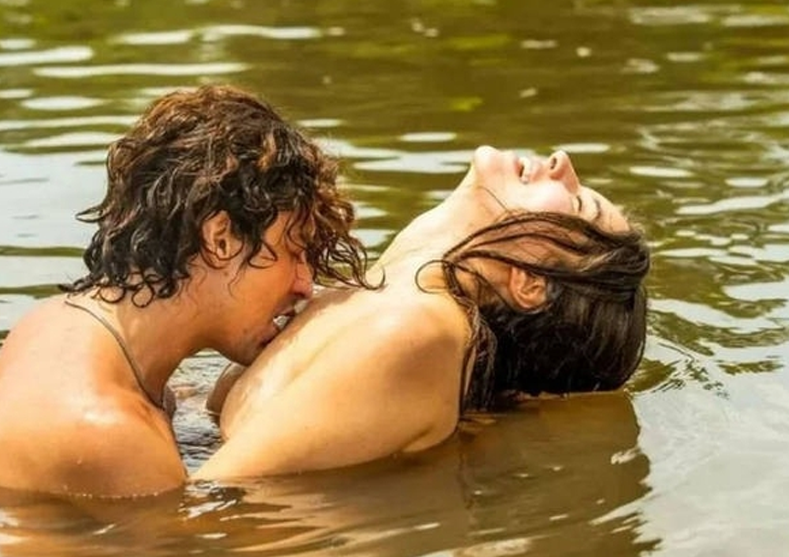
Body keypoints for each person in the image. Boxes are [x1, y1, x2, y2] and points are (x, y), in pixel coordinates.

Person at [194, 145, 650, 481]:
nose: (562, 162)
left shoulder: (417, 331)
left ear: (529, 283)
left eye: (577, 203)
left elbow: (207, 501)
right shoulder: (369, 299)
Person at [0, 85, 369, 497]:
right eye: (295, 252)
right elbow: (219, 540)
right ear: (221, 238)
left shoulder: (56, 322)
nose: (304, 285)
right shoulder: (113, 435)